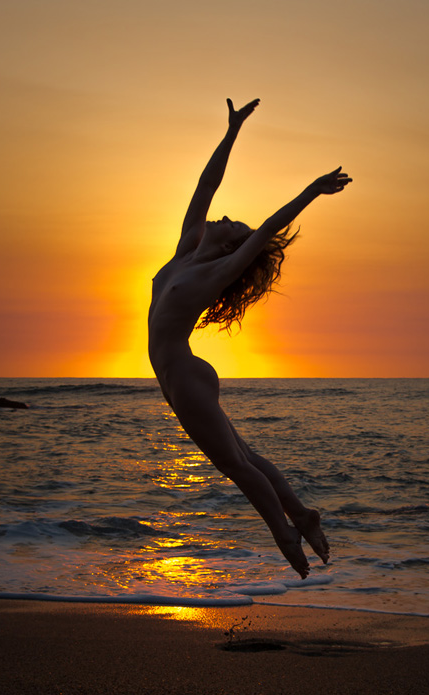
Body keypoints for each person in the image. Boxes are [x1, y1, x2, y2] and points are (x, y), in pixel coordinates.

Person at [148, 98, 351, 578]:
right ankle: (301, 514)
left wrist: (311, 191)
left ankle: (284, 533)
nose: (222, 216)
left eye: (230, 221)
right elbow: (205, 185)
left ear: (232, 243)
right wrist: (233, 130)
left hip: (185, 374)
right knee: (245, 457)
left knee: (235, 466)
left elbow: (268, 229)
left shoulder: (220, 268)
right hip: (177, 376)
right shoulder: (185, 254)